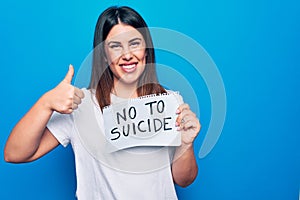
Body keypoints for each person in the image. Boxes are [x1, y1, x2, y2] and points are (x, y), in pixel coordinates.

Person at [4, 6, 201, 200]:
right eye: (116, 46)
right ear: (104, 55)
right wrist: (45, 103)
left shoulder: (169, 101)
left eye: (135, 43)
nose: (127, 54)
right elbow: (14, 153)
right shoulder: (80, 105)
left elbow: (184, 180)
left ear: (146, 50)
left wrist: (185, 143)